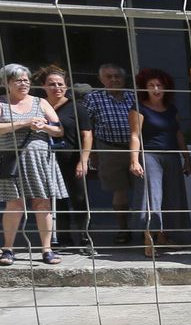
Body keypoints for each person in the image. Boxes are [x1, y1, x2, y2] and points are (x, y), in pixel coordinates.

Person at [0, 64, 68, 265]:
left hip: (39, 160)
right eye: (18, 80)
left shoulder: (41, 102)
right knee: (14, 204)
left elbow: (59, 130)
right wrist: (24, 122)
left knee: (43, 203)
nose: (24, 83)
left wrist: (44, 126)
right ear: (6, 83)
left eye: (26, 80)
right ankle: (7, 249)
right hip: (12, 160)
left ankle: (47, 250)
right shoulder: (1, 103)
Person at [128, 68, 191, 258]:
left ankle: (164, 237)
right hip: (149, 155)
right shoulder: (139, 108)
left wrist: (186, 157)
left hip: (171, 155)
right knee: (151, 197)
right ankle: (149, 242)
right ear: (144, 88)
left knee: (171, 197)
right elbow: (135, 135)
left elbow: (178, 133)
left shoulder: (172, 109)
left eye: (159, 85)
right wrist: (134, 160)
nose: (156, 89)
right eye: (151, 85)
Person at [81, 63, 137, 244]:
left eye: (117, 76)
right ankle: (123, 229)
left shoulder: (134, 96)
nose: (114, 80)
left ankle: (148, 229)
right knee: (119, 190)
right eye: (109, 76)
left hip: (136, 149)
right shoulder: (93, 98)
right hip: (109, 149)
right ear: (101, 79)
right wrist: (92, 154)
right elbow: (88, 127)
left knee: (144, 190)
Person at [39, 66, 93, 252]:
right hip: (46, 161)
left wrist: (83, 160)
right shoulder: (38, 106)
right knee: (55, 200)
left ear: (67, 86)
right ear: (43, 86)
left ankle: (85, 238)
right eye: (52, 84)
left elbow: (87, 135)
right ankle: (62, 238)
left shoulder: (77, 107)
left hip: (72, 160)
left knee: (79, 199)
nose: (57, 88)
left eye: (60, 84)